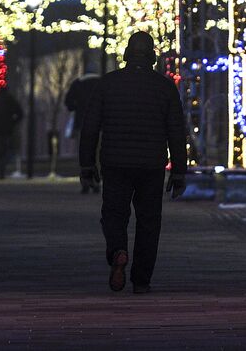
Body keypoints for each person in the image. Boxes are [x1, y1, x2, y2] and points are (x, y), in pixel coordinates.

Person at [80, 31, 187, 294]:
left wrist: (87, 164)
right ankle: (141, 280)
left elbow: (90, 127)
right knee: (149, 221)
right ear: (152, 56)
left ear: (127, 53)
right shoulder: (165, 87)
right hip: (151, 164)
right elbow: (176, 131)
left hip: (115, 161)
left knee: (114, 214)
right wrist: (179, 172)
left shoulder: (108, 84)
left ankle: (118, 250)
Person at [64, 74, 101, 192]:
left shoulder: (78, 83)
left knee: (83, 153)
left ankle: (85, 181)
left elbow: (68, 103)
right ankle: (96, 180)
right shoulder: (102, 82)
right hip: (99, 124)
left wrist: (78, 105)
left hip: (82, 123)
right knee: (97, 153)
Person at [0, 85, 24, 179]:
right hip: (6, 130)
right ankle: (1, 172)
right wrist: (12, 123)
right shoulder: (10, 100)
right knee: (3, 152)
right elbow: (20, 113)